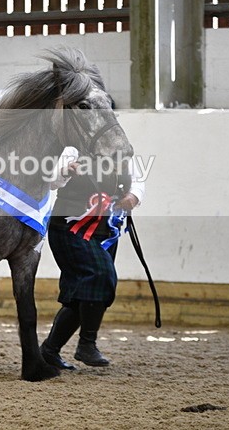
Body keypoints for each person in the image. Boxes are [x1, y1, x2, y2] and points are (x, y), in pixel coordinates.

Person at [40, 147, 145, 370]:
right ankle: (87, 344)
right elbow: (49, 180)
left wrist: (133, 196)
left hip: (107, 232)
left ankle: (50, 350)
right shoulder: (70, 148)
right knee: (101, 277)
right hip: (70, 228)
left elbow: (137, 180)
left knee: (84, 292)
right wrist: (65, 170)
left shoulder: (122, 149)